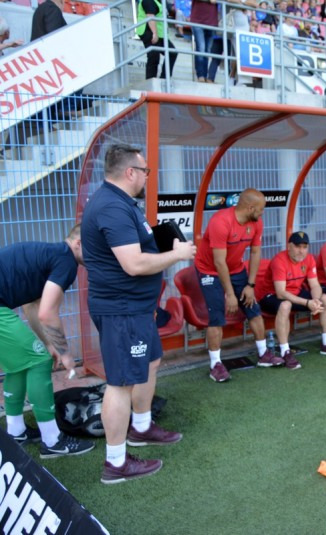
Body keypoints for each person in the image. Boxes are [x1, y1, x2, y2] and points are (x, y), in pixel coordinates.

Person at [82, 144, 196, 484]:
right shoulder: (111, 206)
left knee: (149, 363)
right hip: (122, 310)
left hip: (136, 308)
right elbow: (133, 264)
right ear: (130, 172)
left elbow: (135, 250)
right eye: (145, 171)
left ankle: (141, 428)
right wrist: (178, 254)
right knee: (120, 383)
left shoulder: (120, 203)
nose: (148, 176)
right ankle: (115, 463)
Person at [0, 225, 95, 458]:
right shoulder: (66, 261)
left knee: (20, 364)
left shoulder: (51, 256)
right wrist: (66, 354)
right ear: (78, 244)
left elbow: (32, 307)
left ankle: (16, 432)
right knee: (39, 361)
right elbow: (47, 314)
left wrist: (50, 344)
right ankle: (53, 441)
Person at [195, 189, 271, 382]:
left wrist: (250, 285)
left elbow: (255, 253)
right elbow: (219, 262)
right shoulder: (220, 221)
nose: (263, 213)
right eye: (261, 209)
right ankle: (215, 365)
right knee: (216, 315)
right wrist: (229, 294)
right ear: (250, 208)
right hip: (209, 270)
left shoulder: (256, 223)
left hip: (236, 269)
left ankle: (264, 354)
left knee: (253, 307)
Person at [256, 231, 326, 368]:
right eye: (298, 247)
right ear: (289, 246)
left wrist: (316, 301)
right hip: (270, 296)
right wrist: (307, 303)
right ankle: (285, 351)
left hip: (295, 294)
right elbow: (281, 293)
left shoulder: (309, 259)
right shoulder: (279, 260)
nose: (301, 251)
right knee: (285, 305)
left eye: (305, 247)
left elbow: (315, 285)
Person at [135, 0, 179, 79]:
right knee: (154, 56)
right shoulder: (149, 1)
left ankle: (164, 78)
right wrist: (154, 33)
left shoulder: (159, 1)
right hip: (149, 31)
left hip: (160, 34)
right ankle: (151, 80)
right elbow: (150, 16)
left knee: (172, 52)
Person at [189, 0, 220, 83]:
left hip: (211, 22)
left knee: (207, 50)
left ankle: (204, 75)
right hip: (198, 20)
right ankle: (200, 75)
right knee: (201, 48)